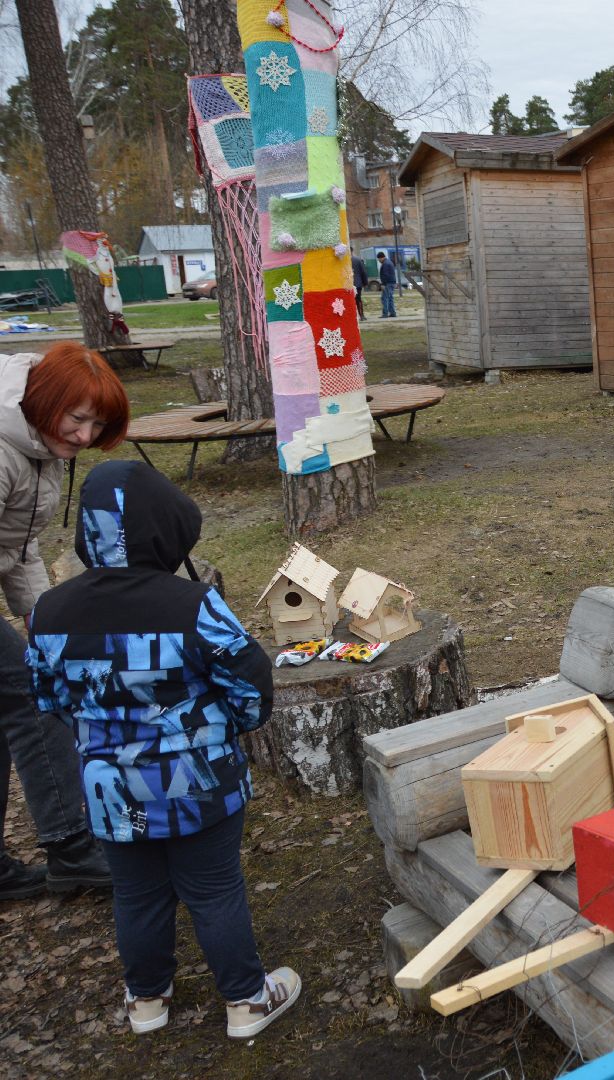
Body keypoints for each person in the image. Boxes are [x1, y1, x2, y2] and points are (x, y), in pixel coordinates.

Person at [27, 460, 300, 1037]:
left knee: (136, 893)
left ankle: (146, 1001)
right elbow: (249, 680)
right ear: (167, 526)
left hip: (110, 793)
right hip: (198, 783)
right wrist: (235, 724)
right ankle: (247, 1002)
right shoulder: (192, 604)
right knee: (214, 889)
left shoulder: (48, 611)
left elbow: (48, 697)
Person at [0, 343, 127, 900]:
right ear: (45, 399)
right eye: (77, 419)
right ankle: (70, 844)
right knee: (31, 693)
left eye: (95, 424)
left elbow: (19, 541)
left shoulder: (35, 444)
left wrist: (38, 616)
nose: (83, 437)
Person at [377, 251, 397, 319]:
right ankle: (393, 313)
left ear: (381, 258)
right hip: (392, 282)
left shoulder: (385, 264)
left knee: (384, 298)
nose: (379, 261)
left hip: (387, 283)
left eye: (379, 259)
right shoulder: (389, 262)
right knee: (390, 298)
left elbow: (385, 275)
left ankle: (385, 313)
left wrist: (383, 284)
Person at [351, 253, 369, 321]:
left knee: (349, 301)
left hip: (347, 285)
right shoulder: (358, 260)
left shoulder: (343, 259)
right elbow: (363, 272)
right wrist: (365, 283)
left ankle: (352, 316)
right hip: (357, 283)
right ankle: (361, 315)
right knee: (358, 300)